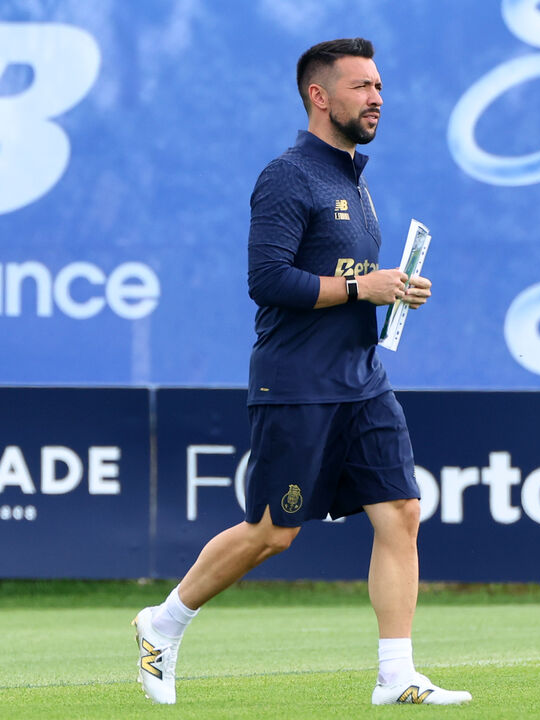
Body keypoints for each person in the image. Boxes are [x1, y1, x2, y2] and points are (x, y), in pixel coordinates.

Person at [132, 37, 471, 707]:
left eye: (379, 85)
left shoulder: (354, 179)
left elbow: (352, 278)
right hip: (295, 383)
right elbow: (267, 280)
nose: (377, 96)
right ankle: (161, 625)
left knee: (401, 512)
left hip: (362, 378)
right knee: (272, 533)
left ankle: (396, 675)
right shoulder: (289, 175)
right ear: (320, 96)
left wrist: (390, 289)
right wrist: (361, 290)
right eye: (361, 86)